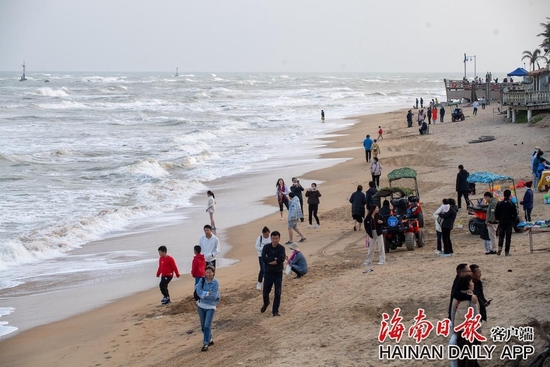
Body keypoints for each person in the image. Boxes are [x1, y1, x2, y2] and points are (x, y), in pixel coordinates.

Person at [450, 274, 481, 367]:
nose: (473, 284)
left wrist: (455, 329)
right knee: (471, 355)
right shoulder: (472, 299)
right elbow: (475, 317)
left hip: (459, 330)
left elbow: (452, 314)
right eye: (471, 282)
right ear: (467, 285)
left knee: (461, 355)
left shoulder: (456, 298)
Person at [196, 264, 220, 352]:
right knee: (203, 326)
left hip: (211, 306)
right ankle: (209, 338)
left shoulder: (216, 283)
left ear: (213, 273)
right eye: (207, 272)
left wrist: (204, 294)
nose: (208, 274)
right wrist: (207, 294)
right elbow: (198, 291)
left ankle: (205, 343)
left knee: (207, 325)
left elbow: (213, 296)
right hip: (201, 306)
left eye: (210, 272)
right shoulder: (202, 280)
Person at [261, 231, 286, 316]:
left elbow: (280, 260)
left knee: (277, 292)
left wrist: (270, 260)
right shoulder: (266, 247)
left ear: (279, 239)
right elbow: (264, 258)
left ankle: (275, 311)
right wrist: (273, 259)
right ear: (271, 238)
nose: (275, 240)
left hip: (278, 273)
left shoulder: (281, 249)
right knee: (265, 292)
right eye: (273, 238)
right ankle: (266, 303)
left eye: (276, 238)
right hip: (268, 273)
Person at [494, 189, 518, 256]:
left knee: (501, 236)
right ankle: (506, 252)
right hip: (509, 222)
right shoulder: (511, 204)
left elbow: (496, 213)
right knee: (508, 237)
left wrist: (498, 219)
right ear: (510, 196)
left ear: (503, 195)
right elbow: (515, 214)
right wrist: (512, 221)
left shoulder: (499, 203)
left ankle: (500, 248)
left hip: (501, 222)